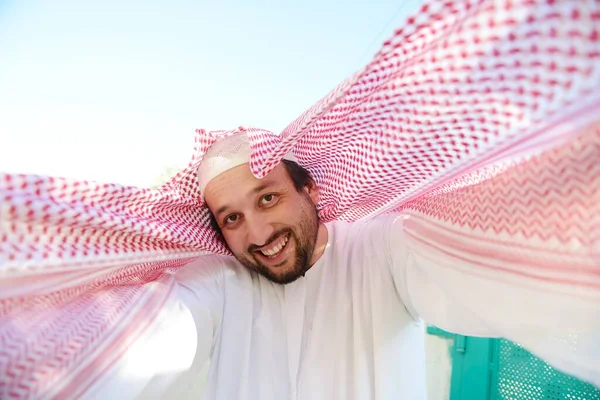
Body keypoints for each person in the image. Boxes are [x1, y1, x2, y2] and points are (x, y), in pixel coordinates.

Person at [136, 131, 591, 400]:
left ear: (309, 191)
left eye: (268, 198)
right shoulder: (220, 282)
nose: (256, 235)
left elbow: (471, 276)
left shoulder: (384, 247)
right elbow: (160, 332)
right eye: (231, 218)